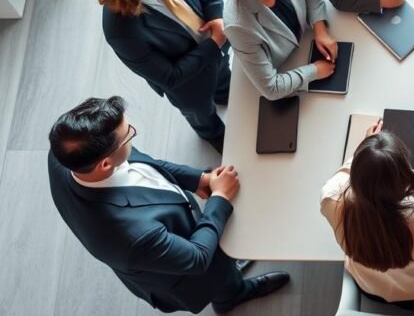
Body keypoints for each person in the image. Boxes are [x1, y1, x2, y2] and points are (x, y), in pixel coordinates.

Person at [47, 96, 289, 314]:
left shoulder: (67, 154)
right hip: (187, 273)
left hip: (173, 238)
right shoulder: (132, 236)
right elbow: (197, 258)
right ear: (105, 165)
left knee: (224, 260)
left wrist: (199, 180)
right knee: (219, 275)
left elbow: (145, 164)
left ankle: (229, 269)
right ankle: (232, 297)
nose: (134, 132)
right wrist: (220, 197)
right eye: (129, 134)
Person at [93, 0, 231, 152]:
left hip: (217, 40)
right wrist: (213, 44)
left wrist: (216, 15)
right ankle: (212, 133)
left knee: (224, 76)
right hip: (189, 84)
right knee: (201, 113)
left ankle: (223, 92)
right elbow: (170, 75)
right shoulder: (120, 31)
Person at [320, 121, 414, 310]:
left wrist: (367, 153)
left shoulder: (331, 198)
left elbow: (344, 174)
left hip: (368, 286)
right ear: (407, 180)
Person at [223, 0, 339, 100]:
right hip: (284, 66)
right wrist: (314, 71)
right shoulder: (238, 25)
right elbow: (271, 88)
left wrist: (320, 30)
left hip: (306, 43)